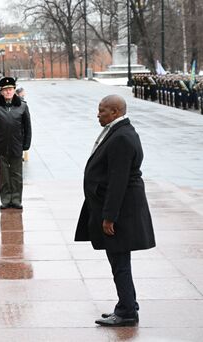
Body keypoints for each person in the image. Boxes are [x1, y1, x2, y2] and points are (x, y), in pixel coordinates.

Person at [75, 95, 155, 327]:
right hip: (117, 208)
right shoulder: (118, 131)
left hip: (119, 212)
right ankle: (127, 304)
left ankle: (127, 311)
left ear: (116, 111)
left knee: (119, 261)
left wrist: (109, 217)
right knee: (119, 260)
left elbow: (118, 181)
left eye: (102, 111)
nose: (98, 114)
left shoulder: (121, 137)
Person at [0, 76, 32, 210]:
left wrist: (26, 144)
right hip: (1, 145)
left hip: (16, 145)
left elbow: (27, 127)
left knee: (16, 175)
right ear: (1, 92)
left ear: (14, 90)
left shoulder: (22, 106)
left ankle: (16, 200)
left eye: (10, 89)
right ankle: (6, 200)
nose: (8, 92)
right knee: (4, 175)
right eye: (5, 90)